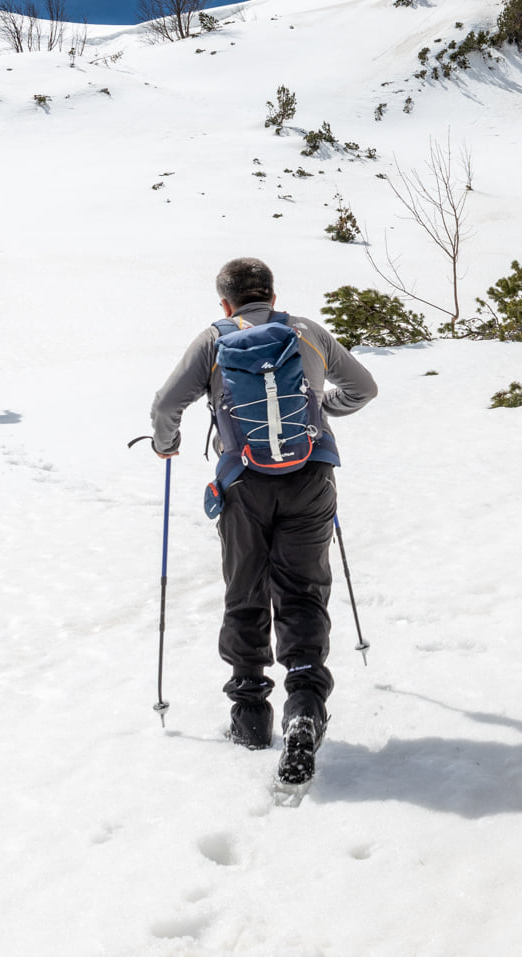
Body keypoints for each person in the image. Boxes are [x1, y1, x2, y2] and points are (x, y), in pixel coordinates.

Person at [148, 256, 378, 771]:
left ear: (226, 303)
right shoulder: (307, 333)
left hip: (243, 484)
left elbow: (166, 405)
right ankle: (306, 706)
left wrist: (167, 445)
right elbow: (364, 388)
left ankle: (250, 715)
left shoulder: (213, 340)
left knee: (245, 588)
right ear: (273, 296)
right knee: (302, 590)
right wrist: (321, 410)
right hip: (312, 477)